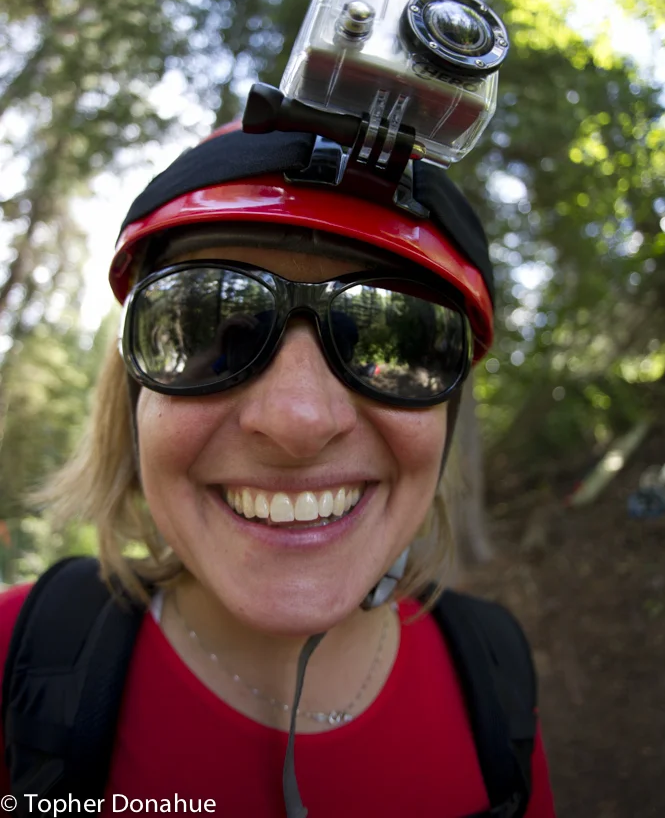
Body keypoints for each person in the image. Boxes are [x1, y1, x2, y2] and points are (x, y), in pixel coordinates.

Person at [0, 122, 556, 817]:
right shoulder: (15, 652)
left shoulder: (495, 679)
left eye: (392, 338)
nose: (298, 421)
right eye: (211, 331)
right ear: (135, 397)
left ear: (446, 417)